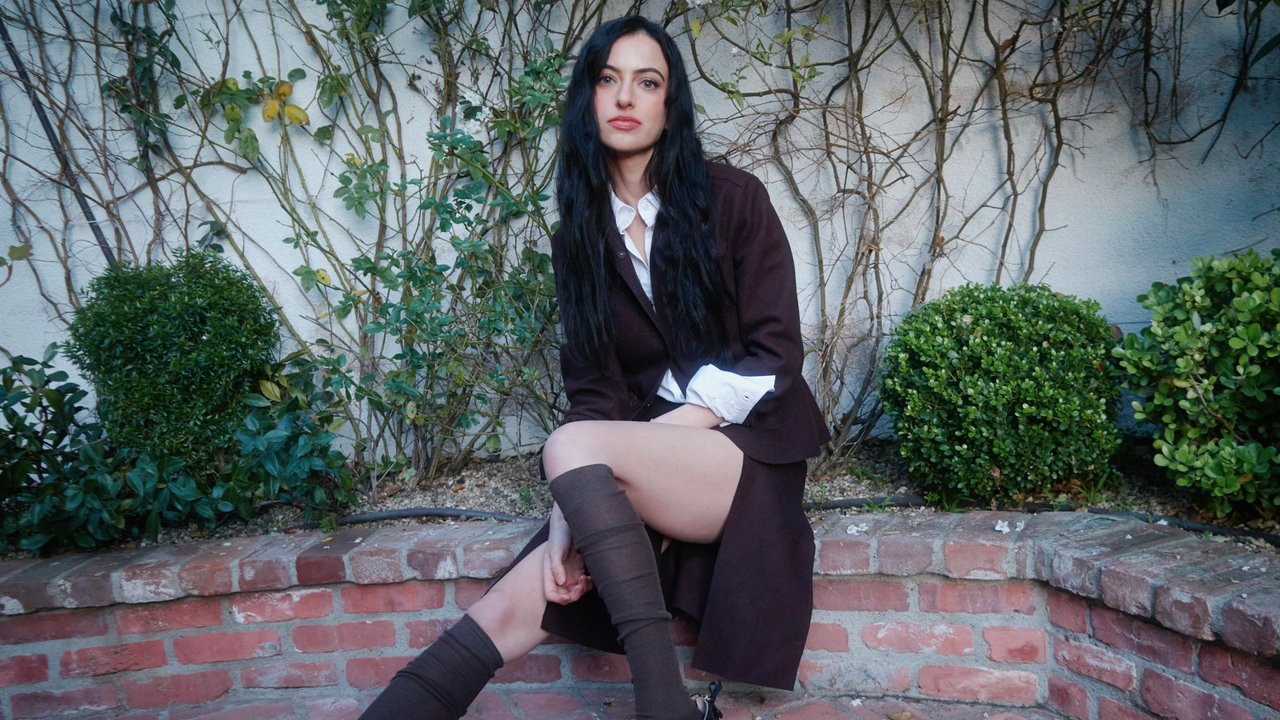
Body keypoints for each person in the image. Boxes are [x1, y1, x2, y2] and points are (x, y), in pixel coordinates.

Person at [359, 14, 829, 720]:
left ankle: (660, 706)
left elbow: (774, 356)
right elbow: (592, 393)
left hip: (747, 457)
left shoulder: (732, 200)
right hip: (631, 464)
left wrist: (647, 440)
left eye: (648, 82)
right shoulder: (578, 236)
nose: (625, 96)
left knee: (573, 452)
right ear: (588, 99)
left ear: (671, 107)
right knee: (521, 598)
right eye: (608, 79)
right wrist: (567, 515)